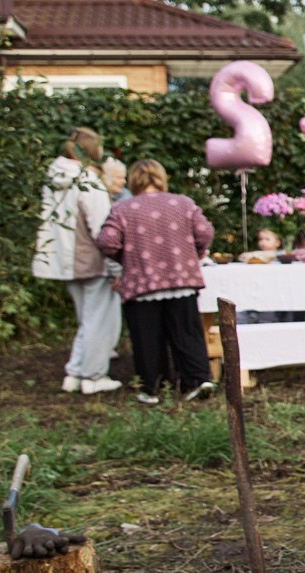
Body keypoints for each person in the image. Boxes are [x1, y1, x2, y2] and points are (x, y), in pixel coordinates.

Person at [95, 160, 217, 405]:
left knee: (147, 337)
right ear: (161, 178)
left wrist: (124, 257)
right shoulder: (183, 203)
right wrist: (196, 252)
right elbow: (204, 232)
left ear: (134, 181)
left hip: (142, 282)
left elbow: (107, 241)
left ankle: (152, 387)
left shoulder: (122, 209)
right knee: (187, 332)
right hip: (181, 278)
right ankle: (197, 379)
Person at [31, 127, 122, 395]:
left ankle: (75, 373)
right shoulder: (89, 183)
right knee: (99, 320)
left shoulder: (53, 179)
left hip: (62, 259)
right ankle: (93, 378)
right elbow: (104, 232)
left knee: (86, 319)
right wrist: (117, 266)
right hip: (92, 261)